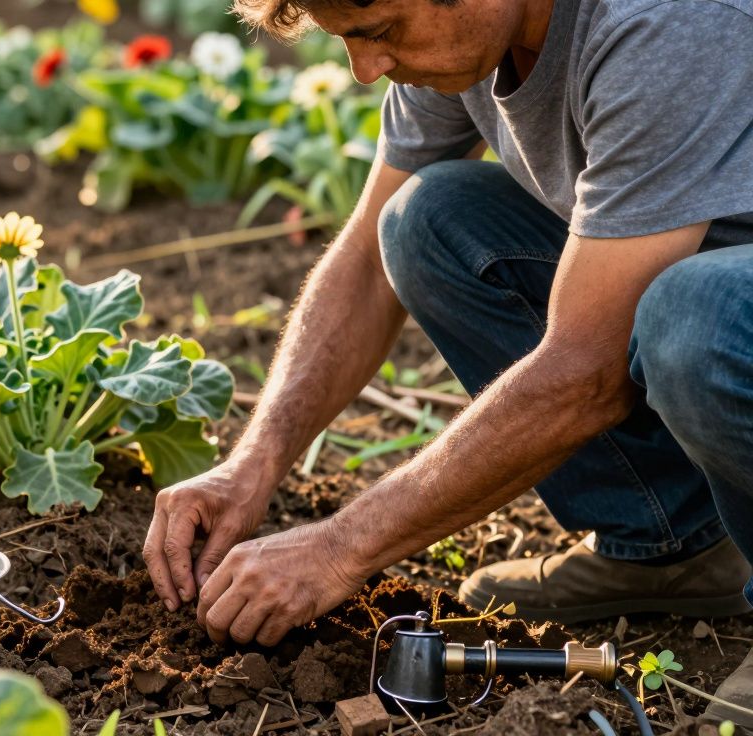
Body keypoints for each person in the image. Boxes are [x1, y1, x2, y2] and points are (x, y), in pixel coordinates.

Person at [141, 0, 753, 723]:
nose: (365, 70)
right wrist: (253, 465)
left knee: (691, 317)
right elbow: (367, 259)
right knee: (426, 220)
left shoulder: (664, 21)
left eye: (379, 33)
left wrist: (339, 549)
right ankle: (671, 545)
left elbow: (583, 371)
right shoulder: (473, 38)